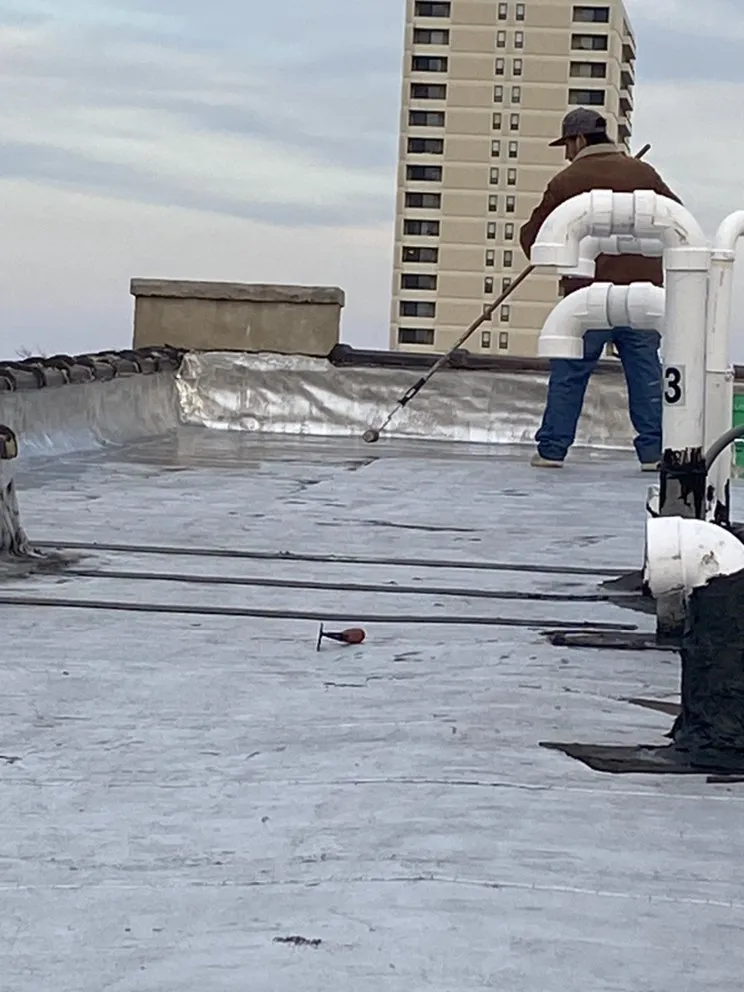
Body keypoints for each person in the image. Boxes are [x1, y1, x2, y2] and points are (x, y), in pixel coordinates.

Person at [519, 107, 682, 472]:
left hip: (586, 298)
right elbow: (678, 222)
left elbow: (534, 238)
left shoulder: (568, 180)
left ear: (578, 140)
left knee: (570, 374)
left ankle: (552, 450)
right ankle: (654, 454)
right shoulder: (643, 173)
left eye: (566, 145)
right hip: (643, 295)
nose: (566, 153)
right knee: (645, 376)